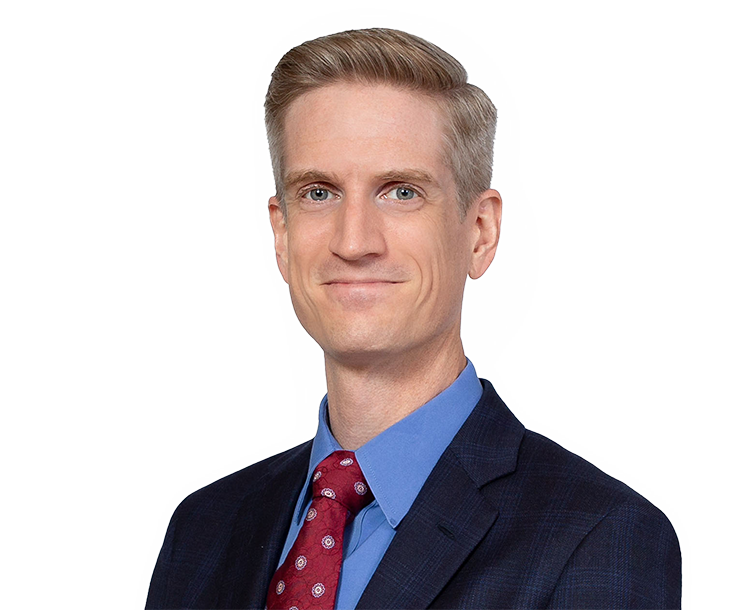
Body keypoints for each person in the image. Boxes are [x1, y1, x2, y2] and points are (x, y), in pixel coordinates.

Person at [145, 28, 681, 610]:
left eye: (401, 192)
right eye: (319, 193)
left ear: (480, 233)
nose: (354, 241)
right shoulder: (202, 531)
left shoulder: (599, 538)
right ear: (282, 235)